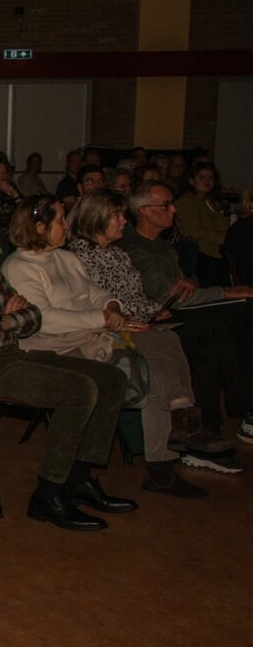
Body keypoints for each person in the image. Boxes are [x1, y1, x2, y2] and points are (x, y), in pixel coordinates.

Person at [0, 191, 128, 531]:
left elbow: (33, 317)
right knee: (77, 390)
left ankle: (80, 477)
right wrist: (4, 318)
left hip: (11, 354)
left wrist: (2, 320)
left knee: (110, 379)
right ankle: (47, 495)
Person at [65, 189, 234, 495]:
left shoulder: (118, 254)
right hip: (100, 331)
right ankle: (180, 432)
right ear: (96, 218)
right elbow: (89, 304)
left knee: (165, 357)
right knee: (166, 343)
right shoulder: (77, 256)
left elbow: (137, 299)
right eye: (116, 215)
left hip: (136, 323)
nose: (123, 221)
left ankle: (168, 452)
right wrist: (138, 317)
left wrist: (152, 312)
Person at [119, 180, 253, 454]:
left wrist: (191, 280)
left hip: (177, 313)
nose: (173, 210)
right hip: (156, 321)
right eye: (165, 205)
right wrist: (226, 292)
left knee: (215, 344)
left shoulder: (163, 246)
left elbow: (183, 285)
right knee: (223, 320)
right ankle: (244, 404)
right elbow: (170, 295)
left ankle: (209, 432)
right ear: (144, 211)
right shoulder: (135, 248)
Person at [175, 163, 231, 285]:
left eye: (210, 178)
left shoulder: (209, 201)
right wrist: (225, 238)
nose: (207, 181)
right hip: (203, 254)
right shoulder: (186, 201)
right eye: (202, 177)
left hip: (219, 250)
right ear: (191, 180)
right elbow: (195, 231)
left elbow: (222, 225)